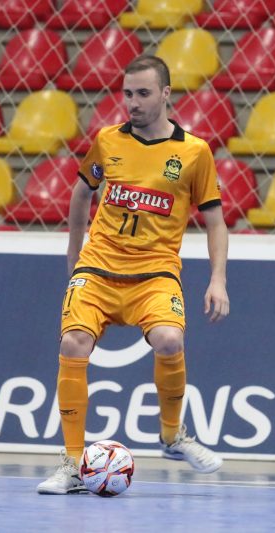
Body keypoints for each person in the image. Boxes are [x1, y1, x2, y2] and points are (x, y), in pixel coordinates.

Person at [37, 55, 230, 495]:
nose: (132, 102)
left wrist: (217, 279)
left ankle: (172, 437)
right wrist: (74, 253)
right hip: (99, 267)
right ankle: (71, 464)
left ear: (166, 94)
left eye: (143, 93)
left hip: (155, 273)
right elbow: (81, 192)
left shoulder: (193, 153)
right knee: (72, 342)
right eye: (127, 93)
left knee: (170, 339)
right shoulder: (107, 141)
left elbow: (215, 220)